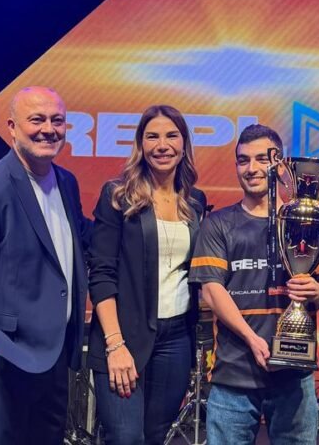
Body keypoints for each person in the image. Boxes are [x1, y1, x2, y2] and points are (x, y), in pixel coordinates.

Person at [0, 86, 90, 445]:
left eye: (57, 121)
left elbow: (82, 242)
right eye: (37, 120)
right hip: (5, 356)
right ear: (12, 127)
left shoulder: (67, 183)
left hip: (54, 359)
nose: (48, 129)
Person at [190, 124, 319, 444]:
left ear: (281, 166)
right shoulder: (218, 224)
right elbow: (211, 291)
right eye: (243, 160)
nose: (252, 168)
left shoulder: (307, 221)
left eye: (262, 159)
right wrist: (251, 338)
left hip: (294, 375)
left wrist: (318, 291)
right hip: (234, 374)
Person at [87, 105, 208, 445]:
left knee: (155, 436)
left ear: (183, 143)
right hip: (123, 337)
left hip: (176, 339)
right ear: (141, 144)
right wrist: (115, 345)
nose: (162, 145)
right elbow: (101, 274)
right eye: (152, 136)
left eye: (171, 136)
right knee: (126, 437)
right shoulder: (118, 195)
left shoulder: (194, 201)